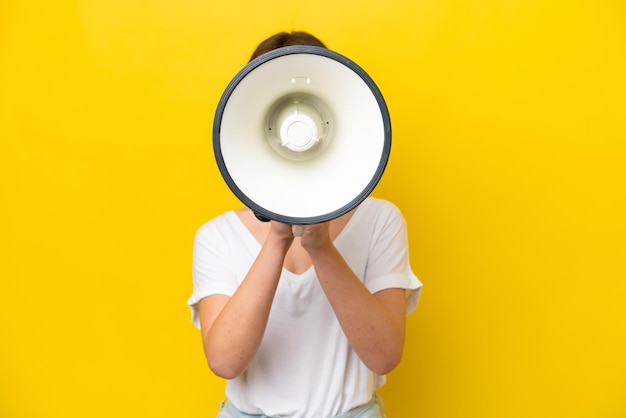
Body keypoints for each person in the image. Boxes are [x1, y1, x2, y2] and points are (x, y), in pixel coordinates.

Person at [188, 31, 422, 418]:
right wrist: (279, 236)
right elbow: (226, 362)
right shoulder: (217, 237)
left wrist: (320, 245)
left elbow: (383, 356)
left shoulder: (380, 220)